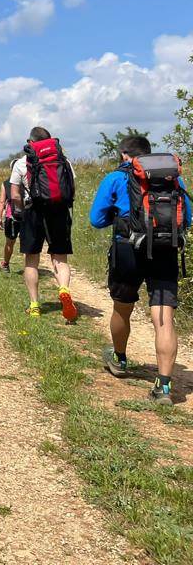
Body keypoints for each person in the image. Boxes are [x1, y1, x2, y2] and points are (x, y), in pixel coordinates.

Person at [90, 134, 190, 406]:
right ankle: (165, 386)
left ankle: (120, 359)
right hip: (165, 250)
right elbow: (187, 219)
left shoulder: (116, 178)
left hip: (127, 250)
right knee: (163, 317)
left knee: (123, 307)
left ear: (124, 155)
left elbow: (96, 219)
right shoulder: (173, 178)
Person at [9, 126, 78, 321]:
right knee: (60, 258)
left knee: (31, 260)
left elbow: (14, 194)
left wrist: (20, 211)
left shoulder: (22, 163)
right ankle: (63, 288)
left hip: (33, 212)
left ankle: (34, 305)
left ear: (30, 142)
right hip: (59, 211)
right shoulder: (63, 161)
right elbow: (71, 188)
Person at [0, 176, 20, 273]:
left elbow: (2, 201)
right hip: (28, 216)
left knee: (10, 242)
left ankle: (5, 264)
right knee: (27, 243)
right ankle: (30, 268)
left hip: (12, 216)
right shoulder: (30, 179)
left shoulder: (6, 183)